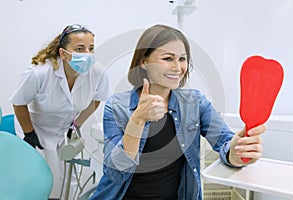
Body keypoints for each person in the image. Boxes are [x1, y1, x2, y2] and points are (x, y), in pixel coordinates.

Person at [89, 24, 265, 200]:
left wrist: (235, 154)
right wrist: (137, 120)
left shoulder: (195, 103)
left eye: (182, 59)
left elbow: (225, 142)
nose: (178, 67)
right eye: (167, 58)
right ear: (143, 61)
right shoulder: (117, 106)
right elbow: (115, 173)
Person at [9, 24, 110, 199]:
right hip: (35, 128)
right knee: (41, 178)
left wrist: (75, 125)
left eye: (91, 48)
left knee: (68, 180)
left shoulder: (97, 73)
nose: (87, 54)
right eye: (80, 49)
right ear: (63, 53)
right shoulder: (39, 74)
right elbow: (19, 103)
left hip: (64, 130)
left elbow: (96, 100)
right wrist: (29, 133)